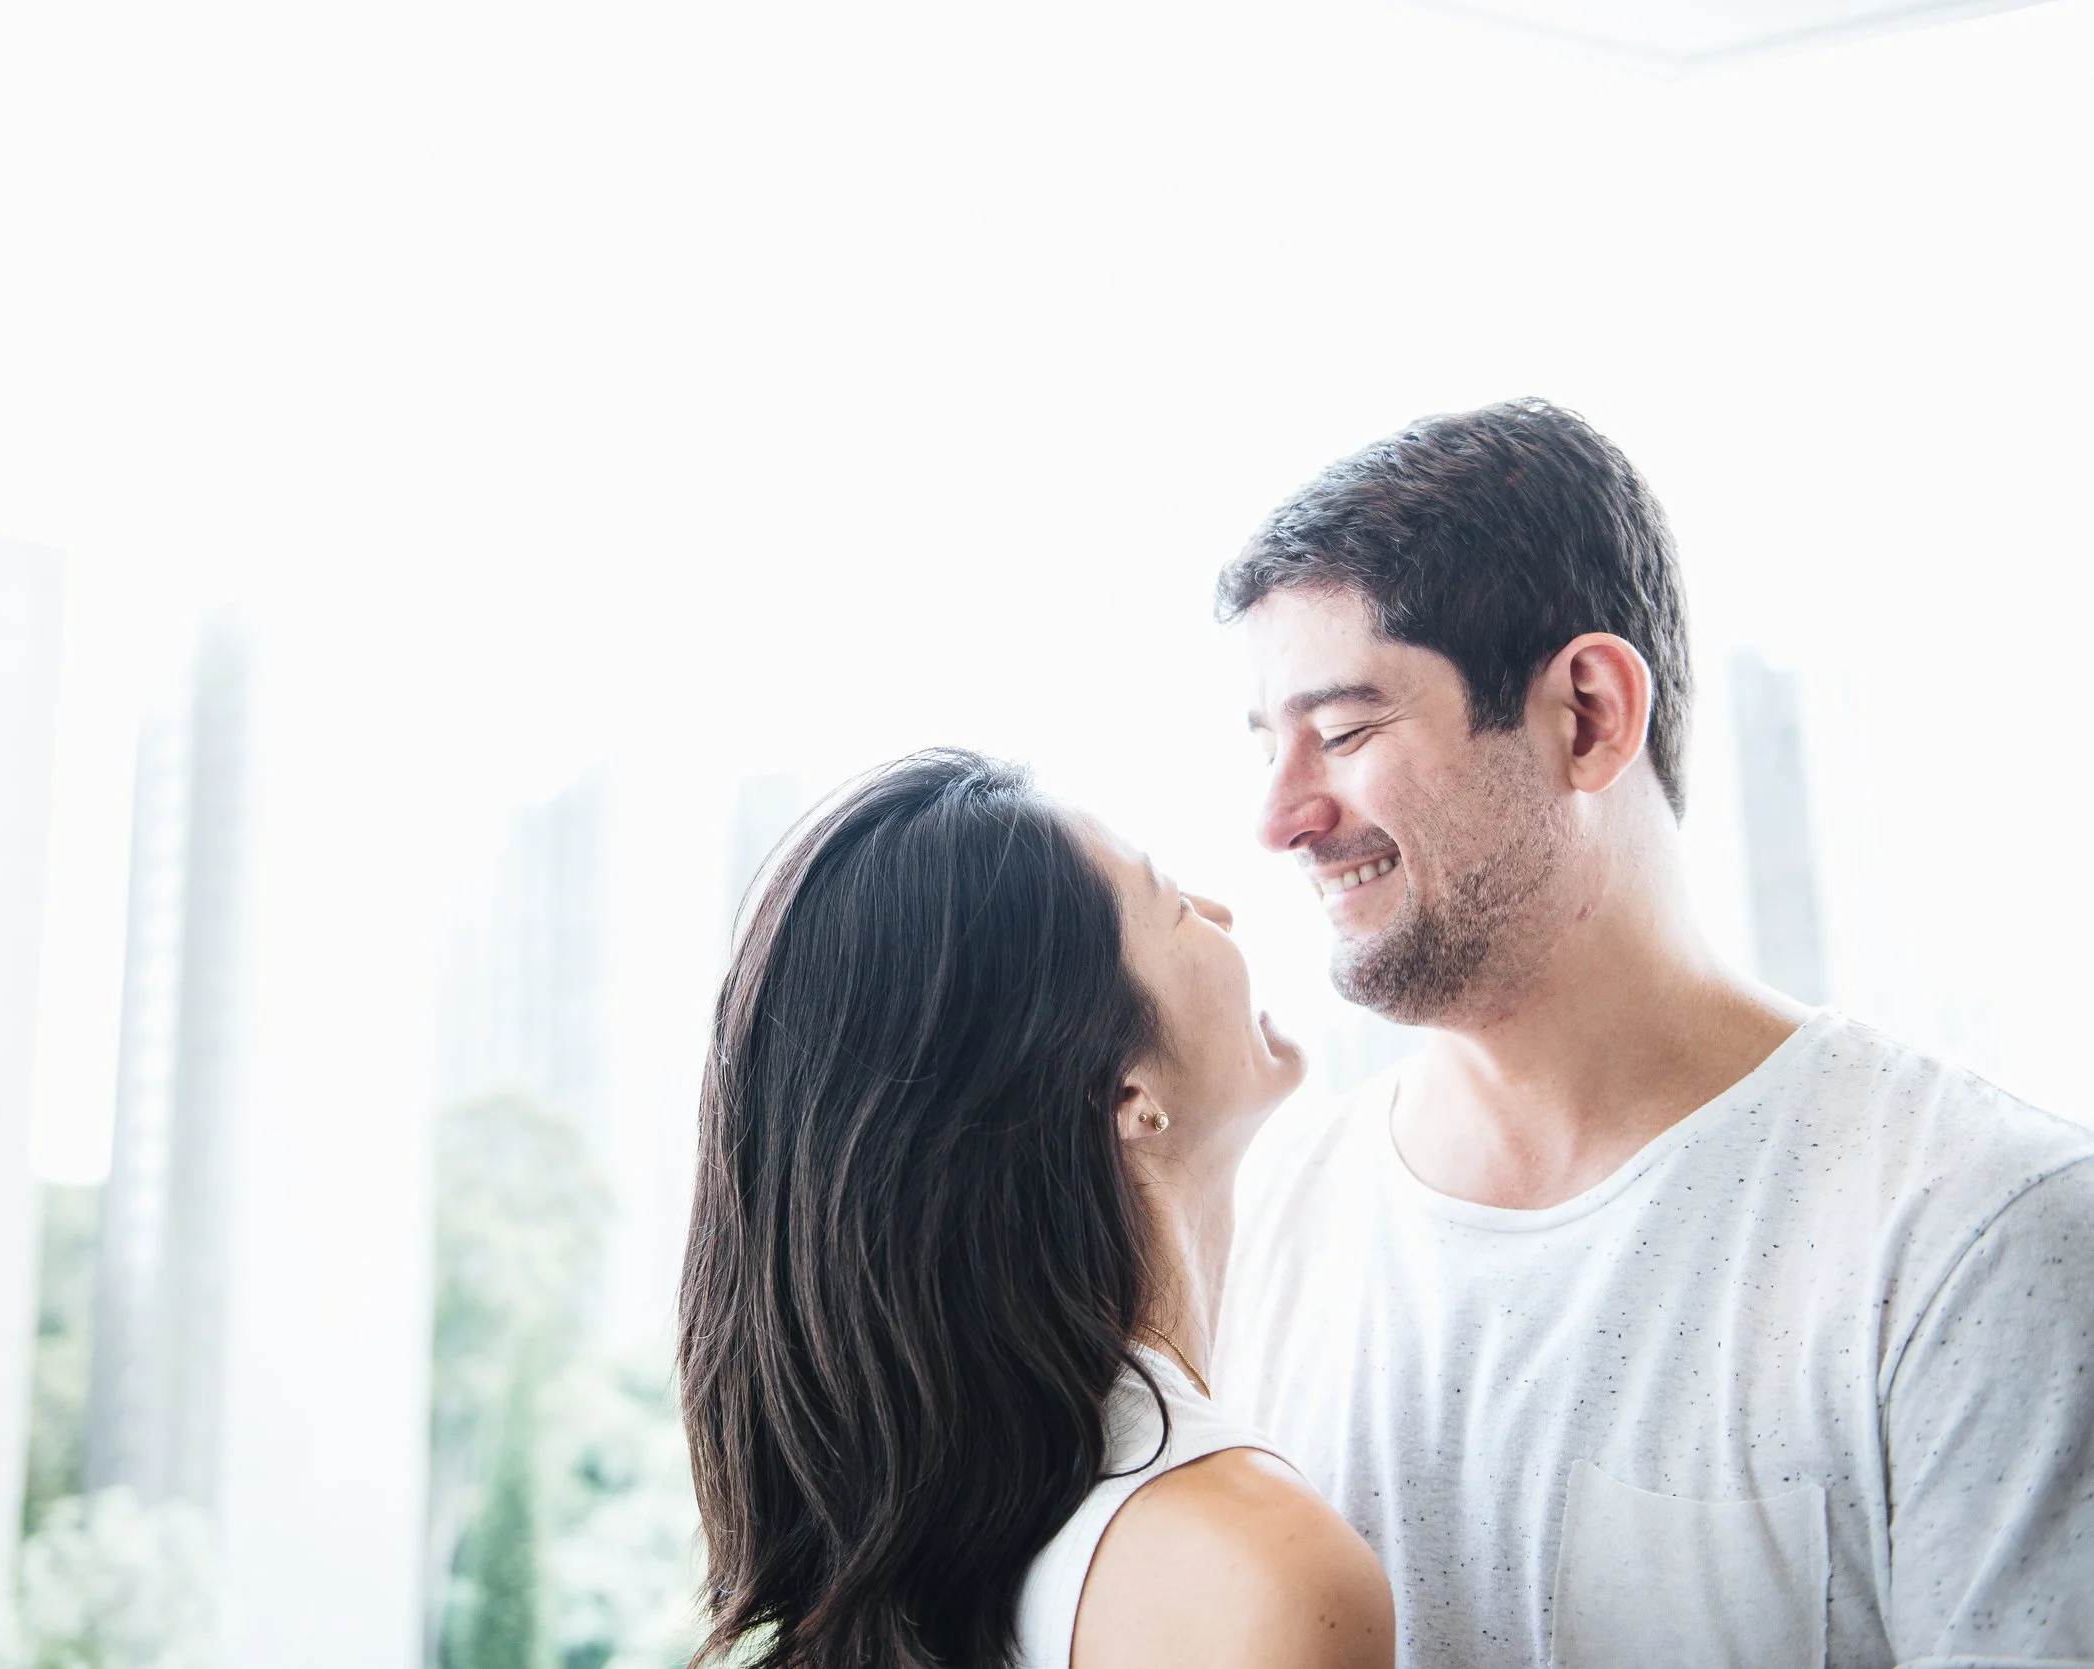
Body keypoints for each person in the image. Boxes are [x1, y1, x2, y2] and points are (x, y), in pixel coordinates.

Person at [1213, 399, 2094, 1669]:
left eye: (1344, 731)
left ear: (1586, 712)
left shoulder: (1974, 1232)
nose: (1280, 815)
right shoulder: (1270, 1227)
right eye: (1265, 744)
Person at [679, 751, 1392, 1669]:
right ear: (1119, 1092)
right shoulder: (1256, 1569)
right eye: (1172, 903)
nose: (1221, 912)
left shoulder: (965, 1542)